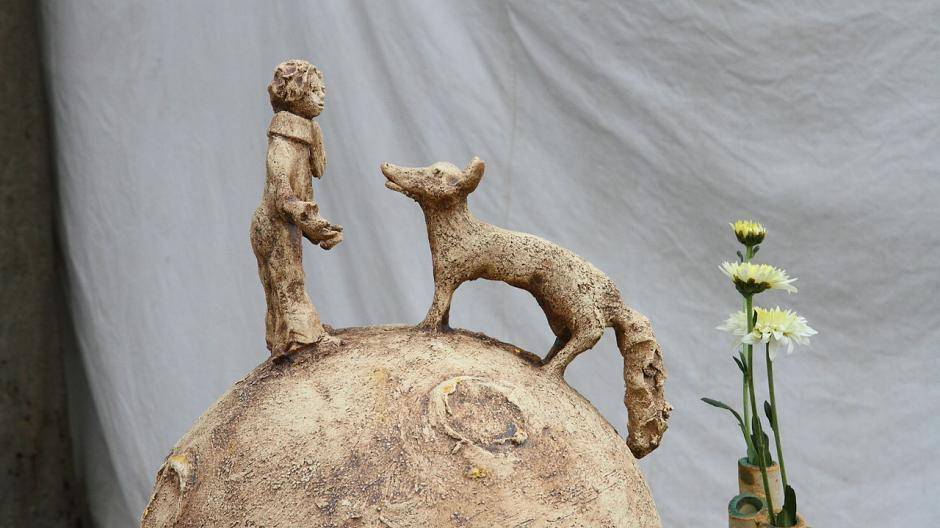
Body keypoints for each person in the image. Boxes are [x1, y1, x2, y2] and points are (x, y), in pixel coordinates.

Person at [250, 59, 343, 357]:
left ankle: (285, 338)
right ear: (295, 94)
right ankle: (304, 340)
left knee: (278, 286)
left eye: (322, 90)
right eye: (314, 90)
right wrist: (311, 222)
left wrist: (312, 228)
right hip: (273, 223)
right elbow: (282, 194)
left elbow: (315, 171)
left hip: (281, 221)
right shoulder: (282, 145)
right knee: (289, 282)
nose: (322, 96)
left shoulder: (301, 136)